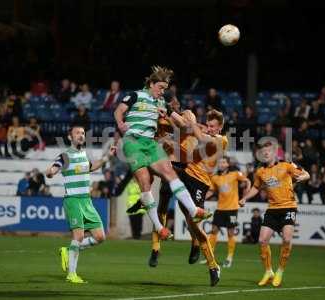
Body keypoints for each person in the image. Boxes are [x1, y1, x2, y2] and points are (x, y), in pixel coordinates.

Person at [114, 66, 211, 240]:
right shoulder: (136, 95)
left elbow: (181, 124)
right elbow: (118, 111)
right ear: (151, 84)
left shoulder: (162, 104)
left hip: (150, 143)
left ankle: (194, 210)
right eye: (160, 87)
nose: (162, 92)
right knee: (145, 182)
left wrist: (186, 118)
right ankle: (159, 228)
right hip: (133, 142)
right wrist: (120, 123)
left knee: (170, 173)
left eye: (165, 89)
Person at [148, 108, 228, 286]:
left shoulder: (220, 140)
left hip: (200, 182)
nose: (210, 128)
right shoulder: (199, 130)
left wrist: (187, 121)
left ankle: (213, 265)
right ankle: (155, 247)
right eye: (208, 125)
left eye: (214, 126)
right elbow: (182, 126)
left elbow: (200, 136)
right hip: (183, 173)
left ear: (220, 127)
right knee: (163, 185)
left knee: (194, 224)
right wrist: (167, 113)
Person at [45, 125, 116, 284]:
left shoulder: (84, 154)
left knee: (100, 237)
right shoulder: (65, 155)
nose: (81, 135)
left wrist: (107, 157)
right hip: (73, 200)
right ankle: (71, 274)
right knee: (79, 236)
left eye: (83, 133)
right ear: (70, 137)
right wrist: (50, 171)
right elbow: (53, 169)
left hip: (87, 201)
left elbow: (91, 167)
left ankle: (68, 250)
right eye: (77, 133)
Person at [239, 140, 310, 287]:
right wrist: (245, 198)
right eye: (263, 151)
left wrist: (302, 177)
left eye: (268, 151)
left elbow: (306, 175)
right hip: (272, 208)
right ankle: (268, 271)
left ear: (274, 152)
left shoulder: (286, 165)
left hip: (288, 207)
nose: (265, 153)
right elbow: (256, 187)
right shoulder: (260, 171)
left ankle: (280, 271)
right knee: (262, 240)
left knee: (286, 239)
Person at [204, 156, 251, 268]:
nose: (221, 164)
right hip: (220, 208)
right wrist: (202, 199)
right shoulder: (215, 178)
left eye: (223, 162)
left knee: (230, 233)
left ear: (228, 164)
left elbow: (247, 181)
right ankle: (210, 257)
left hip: (232, 208)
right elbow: (211, 191)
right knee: (214, 231)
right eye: (220, 162)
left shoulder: (235, 174)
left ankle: (229, 258)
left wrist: (246, 194)